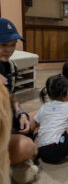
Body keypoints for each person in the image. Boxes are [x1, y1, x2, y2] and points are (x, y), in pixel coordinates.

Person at [0, 17, 38, 183]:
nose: (9, 50)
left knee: (40, 115)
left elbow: (13, 97)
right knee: (28, 147)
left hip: (9, 125)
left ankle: (19, 160)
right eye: (3, 45)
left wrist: (21, 113)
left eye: (13, 45)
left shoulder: (11, 66)